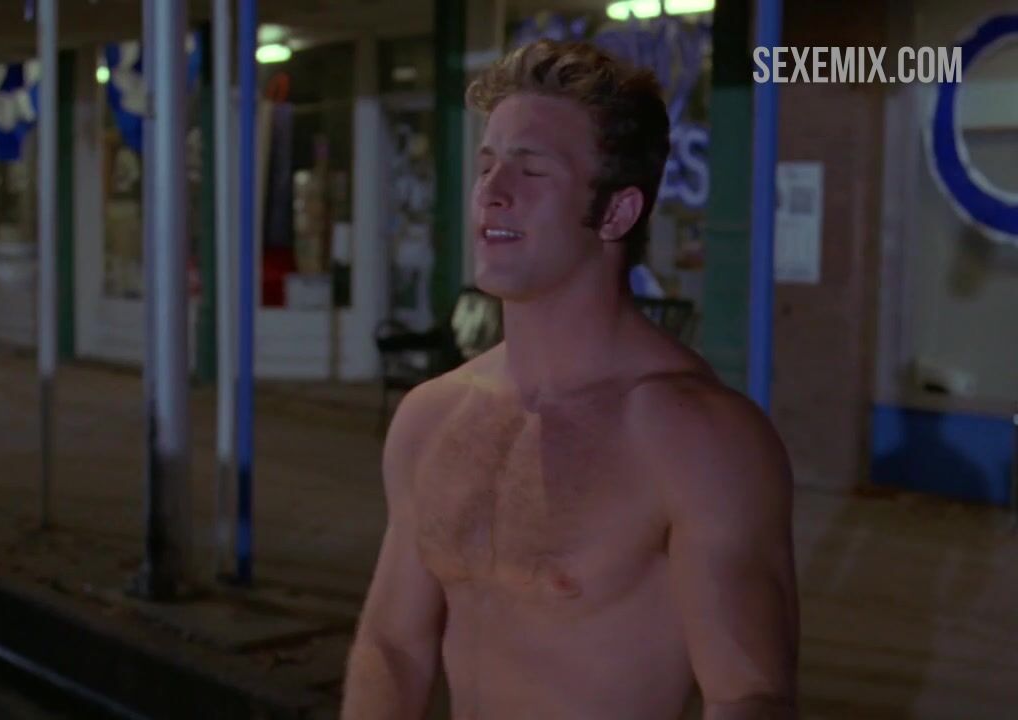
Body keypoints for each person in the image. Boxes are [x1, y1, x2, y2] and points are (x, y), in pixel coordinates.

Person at [342, 40, 798, 720]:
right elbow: (394, 646)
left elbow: (749, 694)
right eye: (487, 165)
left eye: (531, 171)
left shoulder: (696, 437)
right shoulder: (431, 417)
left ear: (616, 213)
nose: (492, 192)